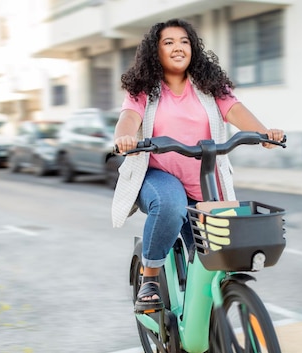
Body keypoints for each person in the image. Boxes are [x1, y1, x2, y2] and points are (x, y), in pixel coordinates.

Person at [111, 18, 284, 313]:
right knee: (171, 205)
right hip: (157, 175)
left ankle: (207, 325)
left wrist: (264, 133)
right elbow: (130, 116)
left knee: (215, 259)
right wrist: (125, 137)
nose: (178, 47)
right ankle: (150, 279)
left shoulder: (210, 86)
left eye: (184, 41)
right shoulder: (144, 88)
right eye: (169, 42)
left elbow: (234, 109)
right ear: (156, 51)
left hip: (203, 181)